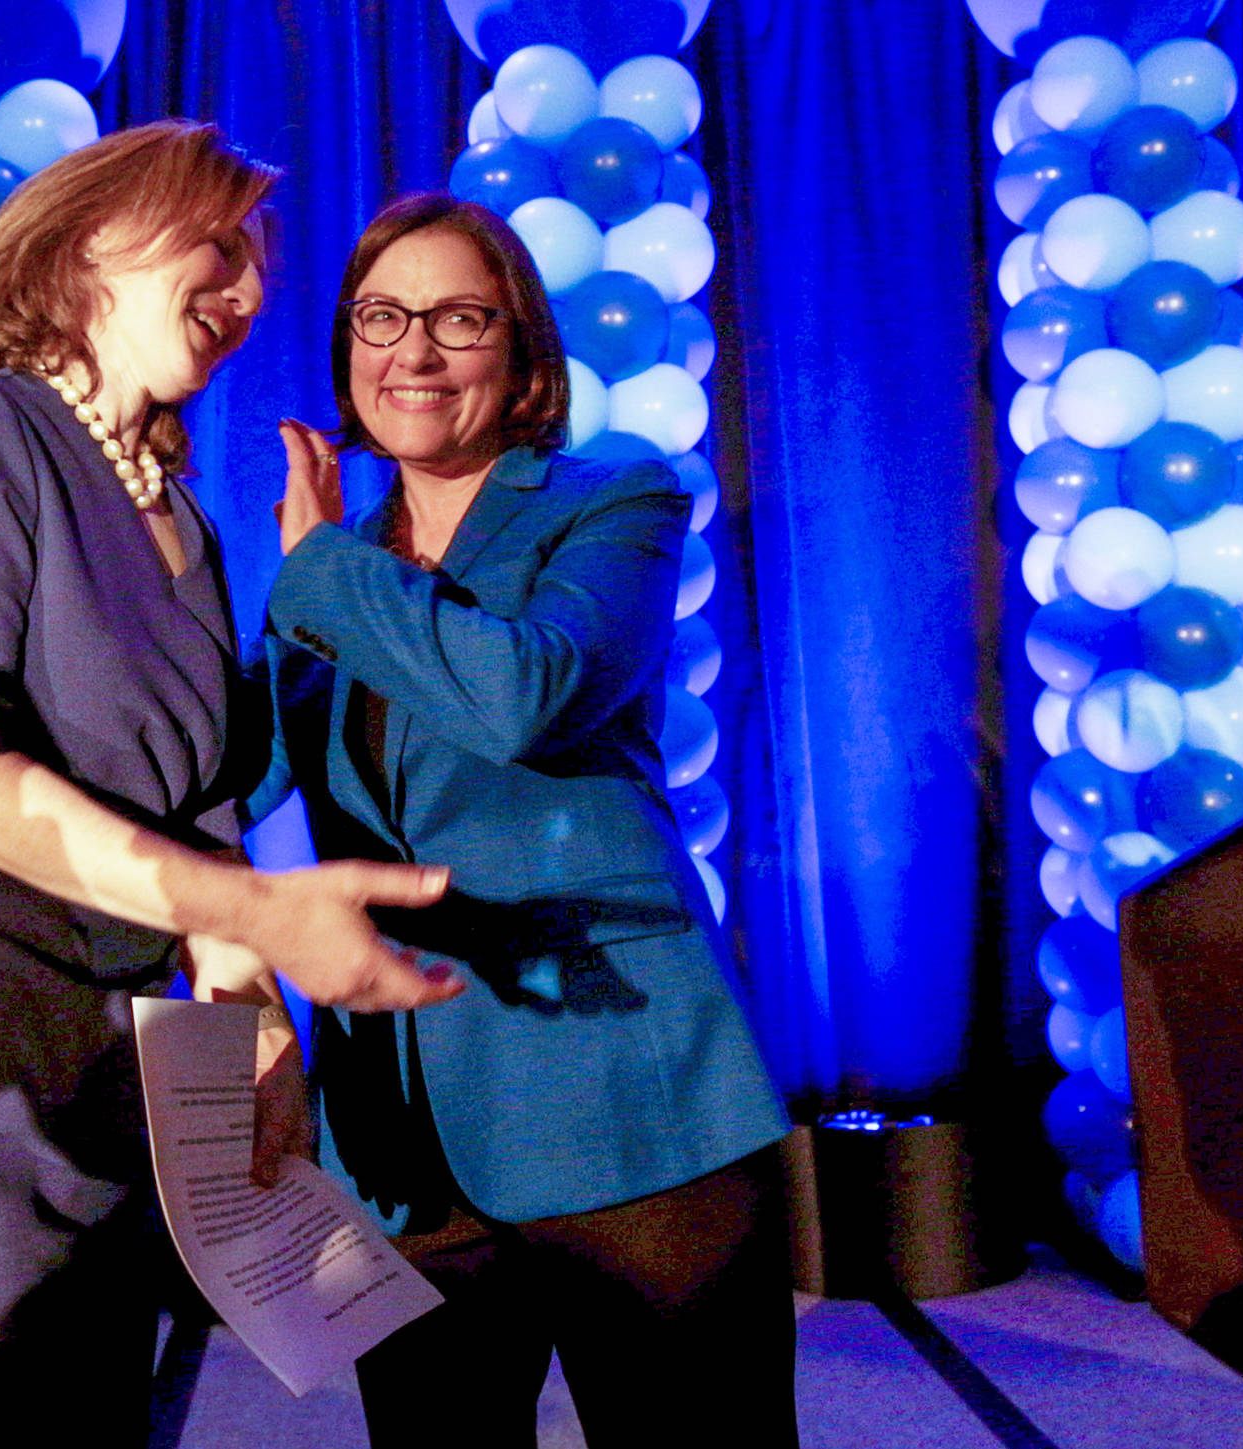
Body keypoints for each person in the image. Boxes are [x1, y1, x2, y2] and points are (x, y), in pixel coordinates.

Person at [0, 124, 460, 1449]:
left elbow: (201, 814)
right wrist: (267, 919)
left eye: (260, 267)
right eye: (221, 245)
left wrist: (258, 1036)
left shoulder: (186, 521)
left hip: (102, 1111)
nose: (248, 290)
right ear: (89, 244)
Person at [257, 194, 796, 1448]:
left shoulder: (612, 502)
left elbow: (526, 698)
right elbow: (235, 771)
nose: (414, 352)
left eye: (457, 319)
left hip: (628, 1102)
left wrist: (321, 569)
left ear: (521, 352)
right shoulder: (328, 562)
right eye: (381, 318)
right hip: (405, 1135)